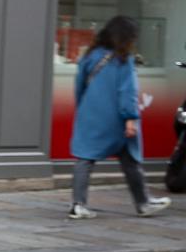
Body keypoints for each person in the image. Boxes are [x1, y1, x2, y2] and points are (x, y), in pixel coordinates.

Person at [68, 14, 171, 220]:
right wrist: (131, 118)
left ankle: (78, 204)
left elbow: (79, 86)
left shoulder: (90, 55)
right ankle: (143, 203)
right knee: (130, 159)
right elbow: (127, 92)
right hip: (116, 118)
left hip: (90, 113)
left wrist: (84, 109)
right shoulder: (124, 60)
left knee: (85, 158)